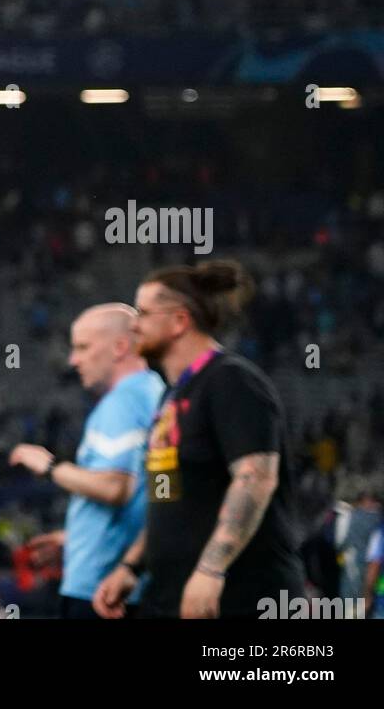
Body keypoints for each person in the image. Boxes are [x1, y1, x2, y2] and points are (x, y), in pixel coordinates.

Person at [93, 261, 304, 620]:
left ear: (179, 321)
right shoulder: (171, 399)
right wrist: (131, 567)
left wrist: (211, 569)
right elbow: (165, 498)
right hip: (173, 597)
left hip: (240, 598)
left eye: (143, 313)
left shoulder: (230, 381)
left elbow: (255, 478)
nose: (133, 324)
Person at [10, 303, 163, 618]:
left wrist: (49, 467)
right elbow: (146, 500)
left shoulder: (123, 403)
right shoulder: (154, 393)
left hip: (100, 590)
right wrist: (75, 539)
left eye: (83, 347)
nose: (73, 359)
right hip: (126, 582)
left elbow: (115, 487)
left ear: (120, 347)